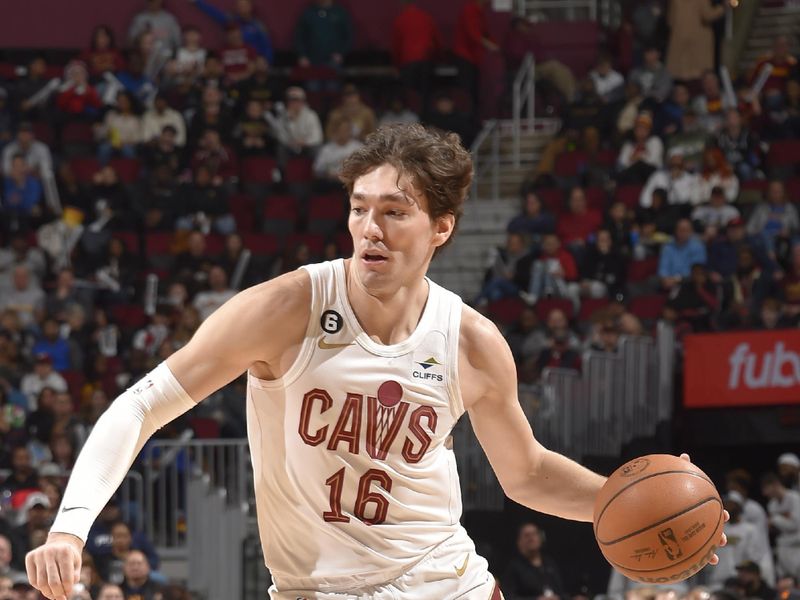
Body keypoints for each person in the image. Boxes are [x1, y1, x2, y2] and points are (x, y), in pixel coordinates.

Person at [25, 124, 726, 599]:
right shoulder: (287, 308)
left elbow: (527, 473)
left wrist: (630, 508)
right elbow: (142, 405)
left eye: (395, 211)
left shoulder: (472, 341)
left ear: (441, 228)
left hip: (446, 581)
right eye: (360, 208)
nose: (370, 228)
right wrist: (70, 524)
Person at [392, 1, 441, 111]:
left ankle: (410, 121)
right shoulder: (426, 17)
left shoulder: (400, 19)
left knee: (408, 96)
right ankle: (425, 121)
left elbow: (396, 45)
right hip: (426, 60)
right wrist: (439, 58)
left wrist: (396, 65)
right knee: (426, 96)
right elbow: (436, 40)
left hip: (407, 62)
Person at [191, 0, 273, 64]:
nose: (241, 8)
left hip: (253, 63)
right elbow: (215, 14)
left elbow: (266, 46)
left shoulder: (258, 25)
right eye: (239, 6)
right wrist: (198, 2)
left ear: (250, 7)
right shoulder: (232, 22)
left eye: (244, 5)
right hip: (234, 61)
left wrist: (266, 62)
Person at [452, 0, 498, 111]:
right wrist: (490, 45)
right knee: (468, 92)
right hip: (465, 56)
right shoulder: (470, 9)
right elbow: (473, 33)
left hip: (473, 58)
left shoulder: (479, 11)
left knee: (474, 92)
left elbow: (483, 33)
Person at [665, 0, 725, 82]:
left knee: (680, 79)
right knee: (699, 77)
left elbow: (670, 21)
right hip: (698, 43)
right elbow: (707, 15)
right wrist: (722, 8)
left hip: (679, 41)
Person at [501, 523, 565, 599]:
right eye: (527, 535)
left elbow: (561, 591)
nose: (531, 538)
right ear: (519, 541)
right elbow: (508, 597)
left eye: (534, 534)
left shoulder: (550, 563)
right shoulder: (513, 567)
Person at [761, 472, 800, 580]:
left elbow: (795, 525)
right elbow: (776, 530)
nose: (765, 493)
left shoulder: (795, 498)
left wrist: (775, 519)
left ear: (775, 484)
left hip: (797, 547)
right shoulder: (772, 505)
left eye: (766, 488)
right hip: (783, 548)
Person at [294, 0, 353, 69]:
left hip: (333, 61)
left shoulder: (340, 12)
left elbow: (349, 35)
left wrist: (341, 53)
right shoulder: (308, 12)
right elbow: (299, 36)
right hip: (311, 61)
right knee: (312, 79)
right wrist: (302, 56)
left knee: (332, 78)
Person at [658, 218, 708, 292]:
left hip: (688, 282)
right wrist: (665, 278)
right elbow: (663, 269)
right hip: (667, 281)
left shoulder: (698, 246)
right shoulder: (668, 247)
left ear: (691, 231)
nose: (683, 233)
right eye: (680, 229)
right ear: (675, 230)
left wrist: (677, 279)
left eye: (686, 230)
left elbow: (697, 271)